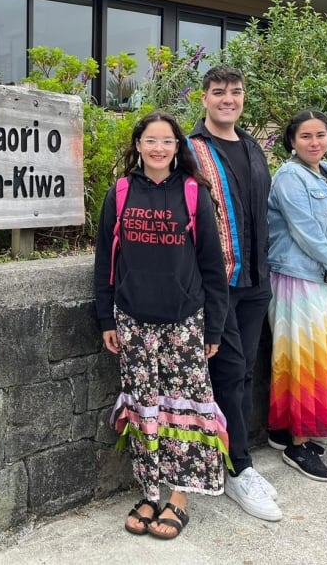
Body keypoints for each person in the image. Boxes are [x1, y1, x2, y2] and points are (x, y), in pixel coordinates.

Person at [94, 111, 230, 540]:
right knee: (145, 407)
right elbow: (104, 264)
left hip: (184, 322)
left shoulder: (193, 194)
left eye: (167, 141)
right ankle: (151, 492)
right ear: (138, 145)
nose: (158, 148)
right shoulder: (119, 193)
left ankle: (180, 496)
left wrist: (214, 329)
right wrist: (105, 317)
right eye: (150, 140)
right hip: (133, 321)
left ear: (177, 147)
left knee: (185, 408)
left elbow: (212, 266)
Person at [188, 65, 282, 522]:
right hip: (219, 285)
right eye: (219, 92)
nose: (229, 99)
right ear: (203, 97)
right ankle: (236, 467)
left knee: (244, 372)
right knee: (227, 374)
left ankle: (235, 460)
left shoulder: (251, 146)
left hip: (256, 282)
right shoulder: (191, 150)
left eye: (236, 92)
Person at [266, 110, 327, 482]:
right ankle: (297, 444)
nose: (315, 142)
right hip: (297, 280)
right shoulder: (289, 177)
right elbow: (305, 233)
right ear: (292, 141)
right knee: (303, 359)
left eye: (321, 135)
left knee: (322, 355)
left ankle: (288, 427)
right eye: (306, 136)